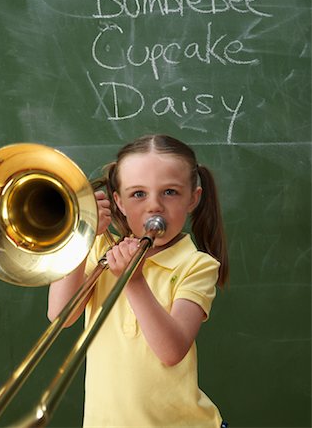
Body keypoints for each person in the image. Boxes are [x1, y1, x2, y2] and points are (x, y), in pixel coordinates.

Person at [47, 134, 229, 428]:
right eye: (138, 194)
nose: (154, 205)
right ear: (117, 202)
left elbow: (171, 351)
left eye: (169, 192)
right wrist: (82, 237)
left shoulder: (197, 265)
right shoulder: (99, 250)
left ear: (193, 199)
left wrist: (133, 282)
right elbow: (60, 316)